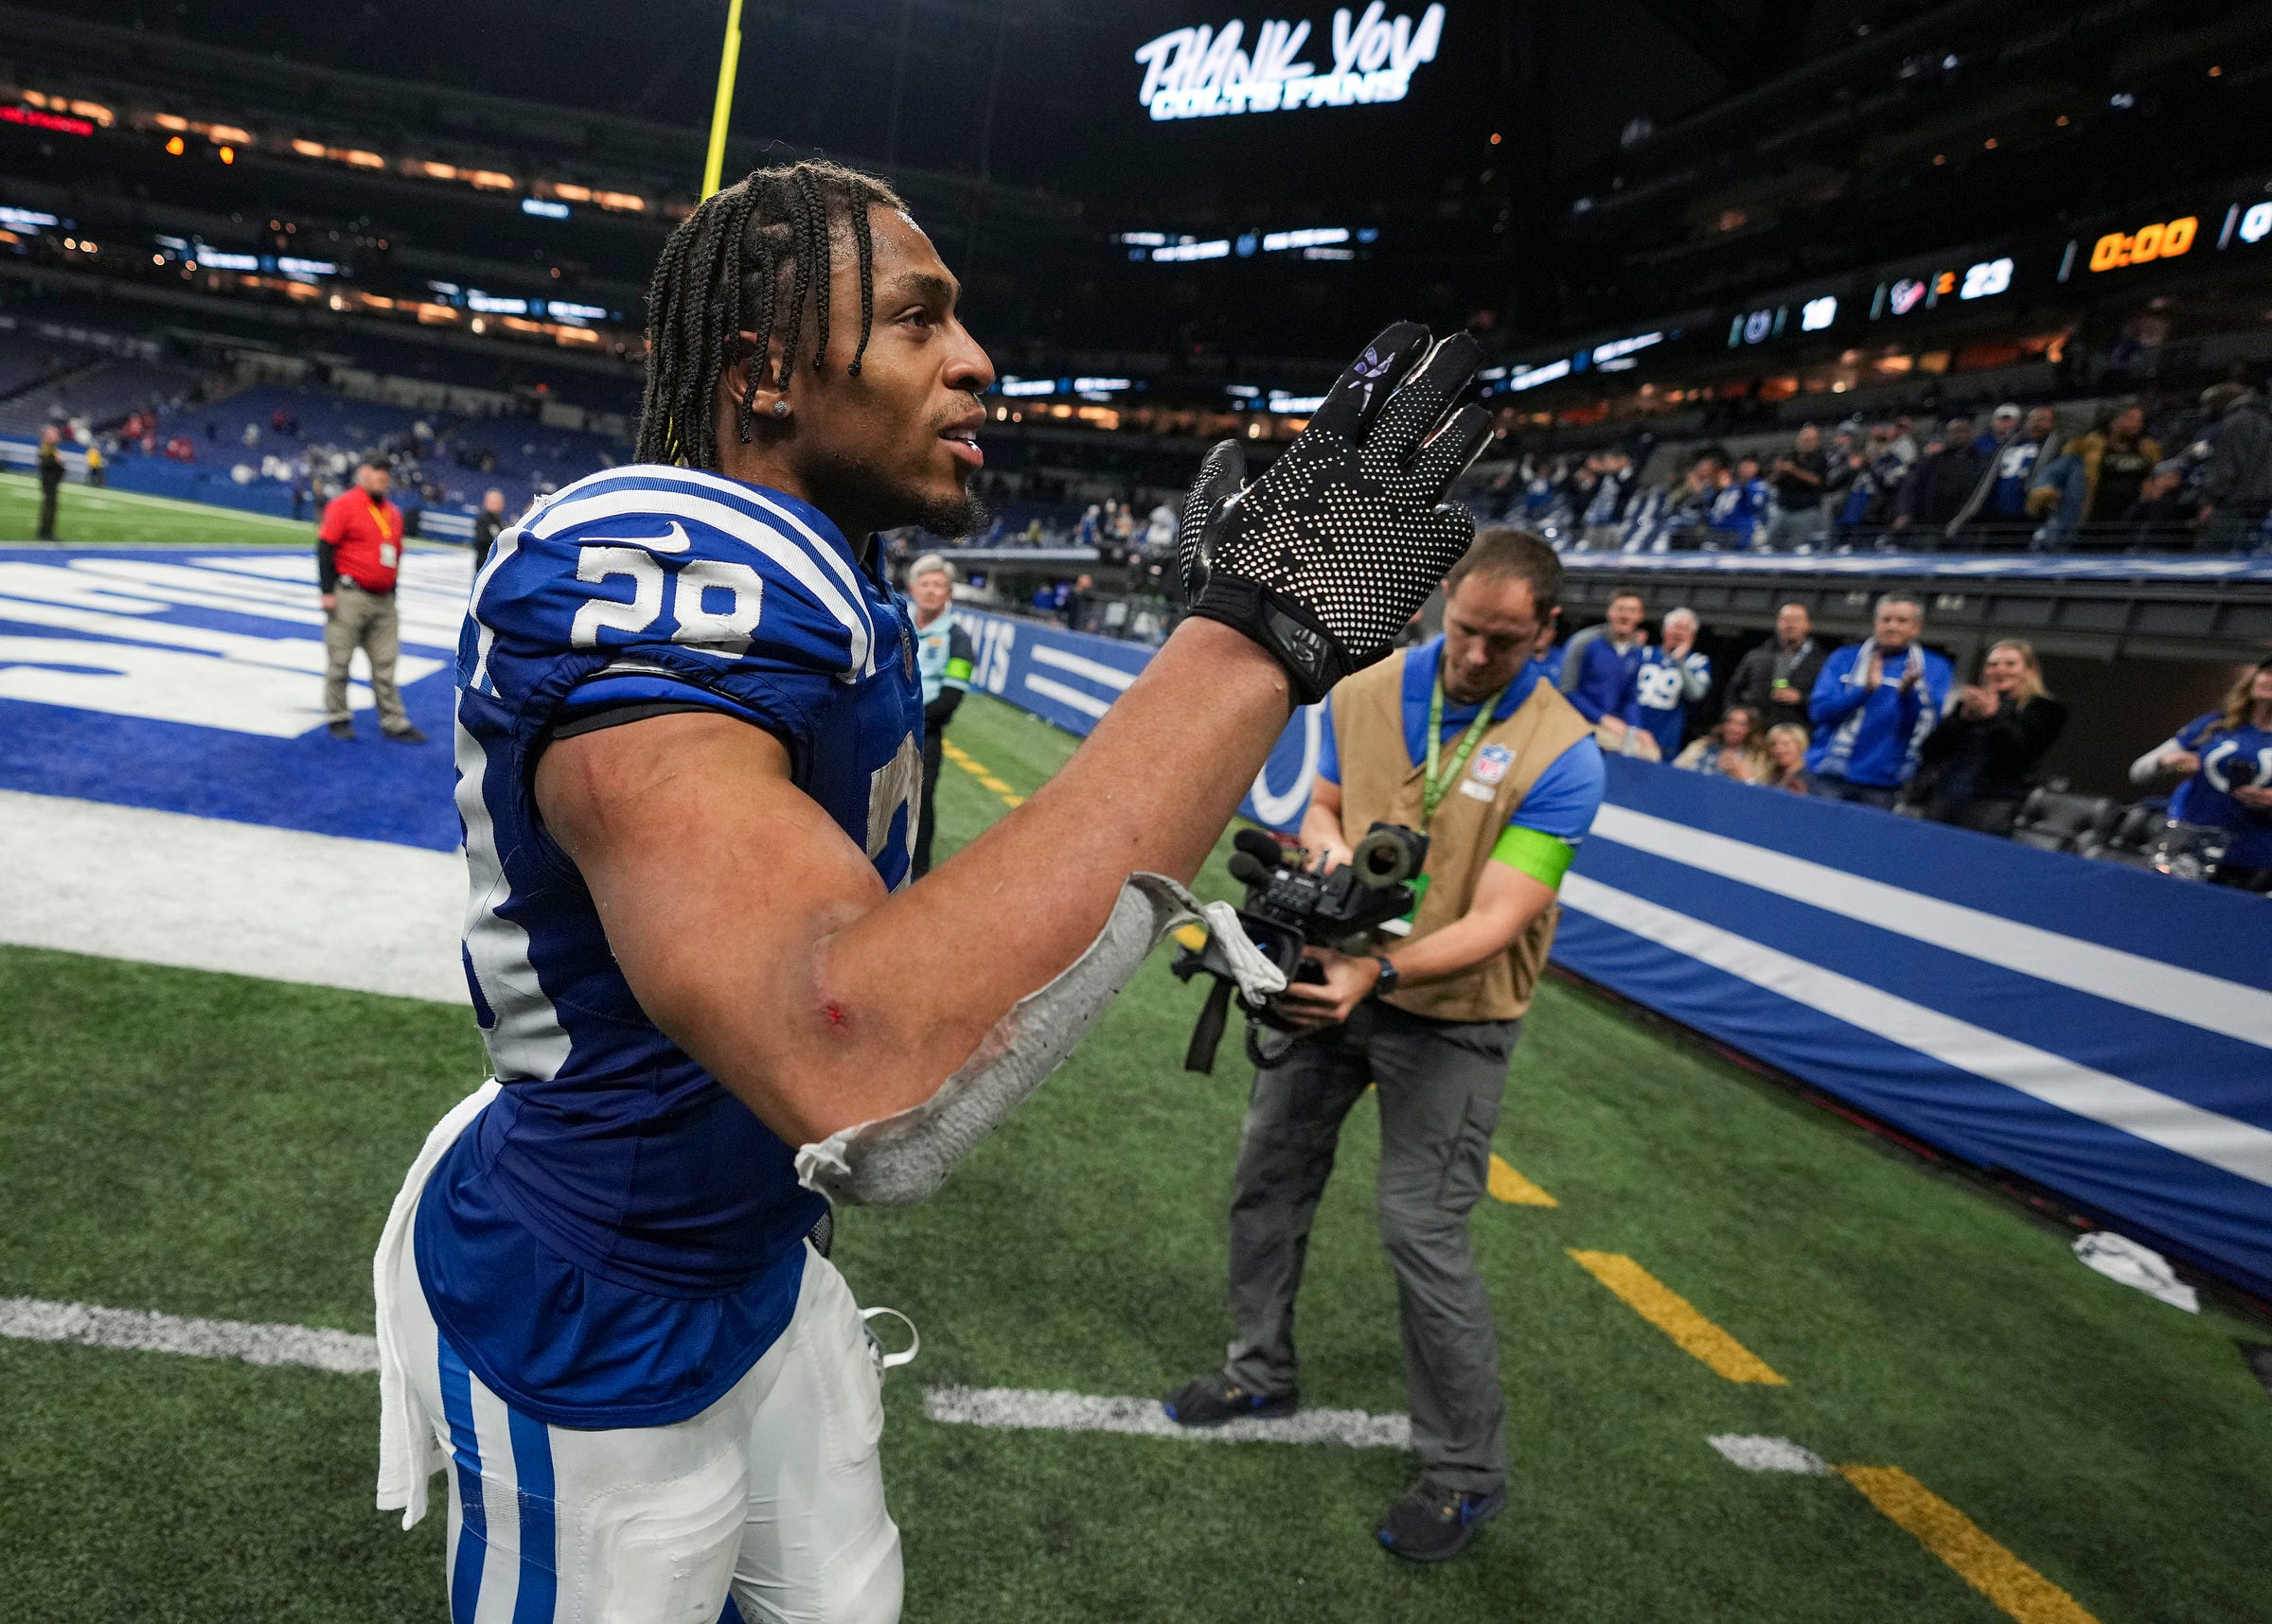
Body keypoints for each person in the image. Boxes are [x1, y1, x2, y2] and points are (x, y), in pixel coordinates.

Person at [372, 157, 1493, 1624]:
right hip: (601, 1289)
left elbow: (925, 954)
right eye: (919, 321)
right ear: (765, 373)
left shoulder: (839, 584)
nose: (978, 362)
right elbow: (852, 1055)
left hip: (760, 1256)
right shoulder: (652, 567)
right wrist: (1247, 644)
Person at [1163, 528, 1605, 1563]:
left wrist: (1381, 971)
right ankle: (1258, 1371)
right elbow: (1322, 802)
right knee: (1266, 1176)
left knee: (1421, 1230)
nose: (1477, 655)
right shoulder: (1367, 689)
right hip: (1336, 982)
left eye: (1504, 641)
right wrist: (1328, 865)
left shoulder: (1564, 754)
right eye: (1465, 630)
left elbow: (1503, 916)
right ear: (1442, 607)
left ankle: (1464, 1474)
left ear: (1546, 632)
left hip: (1452, 1019)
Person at [2130, 656, 2272, 888]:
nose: (2269, 679)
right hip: (2189, 849)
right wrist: (2174, 764)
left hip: (2255, 860)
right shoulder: (2215, 725)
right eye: (2267, 671)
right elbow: (2139, 772)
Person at [1803, 593, 1953, 807]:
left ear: (1916, 627)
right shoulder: (1843, 658)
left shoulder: (1935, 667)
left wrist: (1908, 696)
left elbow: (1924, 729)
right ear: (1876, 623)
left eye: (1902, 621)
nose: (1892, 626)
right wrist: (1864, 691)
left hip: (1883, 783)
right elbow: (1820, 713)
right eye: (1886, 619)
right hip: (1826, 775)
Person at [317, 456, 424, 743]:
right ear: (362, 473)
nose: (382, 477)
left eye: (386, 472)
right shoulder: (344, 504)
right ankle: (338, 716)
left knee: (386, 664)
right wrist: (327, 591)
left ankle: (393, 721)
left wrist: (393, 591)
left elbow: (395, 556)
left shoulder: (393, 513)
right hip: (350, 595)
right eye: (377, 471)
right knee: (340, 660)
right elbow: (326, 547)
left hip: (384, 600)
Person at [1911, 640, 2067, 834]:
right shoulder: (1971, 704)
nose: (2000, 670)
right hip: (1944, 796)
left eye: (2010, 664)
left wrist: (1993, 717)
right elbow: (1930, 751)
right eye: (1993, 664)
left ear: (2029, 670)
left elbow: (2023, 751)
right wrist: (1961, 721)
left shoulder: (2044, 709)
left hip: (1997, 803)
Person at [905, 552, 973, 877]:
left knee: (920, 803)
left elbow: (952, 696)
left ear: (948, 593)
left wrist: (909, 717)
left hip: (925, 733)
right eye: (926, 584)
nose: (932, 590)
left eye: (940, 585)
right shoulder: (895, 620)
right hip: (884, 725)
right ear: (913, 588)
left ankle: (918, 875)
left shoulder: (958, 638)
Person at [2027, 404, 2161, 550]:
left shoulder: (2148, 451)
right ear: (2113, 421)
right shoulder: (2084, 449)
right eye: (2129, 418)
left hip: (2128, 527)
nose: (2136, 423)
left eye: (2139, 419)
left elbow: (2161, 476)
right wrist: (2047, 493)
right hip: (2088, 525)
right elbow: (2049, 474)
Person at [2193, 382, 2272, 553]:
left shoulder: (2234, 421)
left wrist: (2209, 501)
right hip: (2264, 506)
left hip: (2235, 507)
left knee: (2210, 561)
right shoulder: (2266, 418)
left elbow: (2225, 469)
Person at [1624, 605, 1711, 758]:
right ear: (1664, 630)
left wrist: (1679, 662)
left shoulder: (1697, 662)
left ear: (1693, 636)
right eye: (1675, 626)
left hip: (1664, 737)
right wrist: (1630, 649)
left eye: (1685, 629)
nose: (1678, 632)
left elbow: (1697, 694)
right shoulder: (1645, 653)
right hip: (1631, 727)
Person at [1558, 589, 1646, 726]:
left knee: (1647, 746)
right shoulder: (1583, 641)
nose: (1625, 616)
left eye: (1632, 611)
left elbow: (1629, 698)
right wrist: (1602, 718)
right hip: (1575, 722)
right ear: (1609, 612)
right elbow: (1566, 689)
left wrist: (1635, 730)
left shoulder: (1636, 651)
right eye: (1620, 609)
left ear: (1640, 616)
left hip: (1611, 726)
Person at [1725, 601, 1823, 722]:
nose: (1790, 625)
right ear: (1777, 624)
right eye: (1785, 620)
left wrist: (1801, 698)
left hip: (1795, 732)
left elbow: (1826, 700)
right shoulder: (1756, 656)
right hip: (1756, 730)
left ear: (1808, 625)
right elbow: (1733, 691)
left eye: (1796, 620)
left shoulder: (1822, 662)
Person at [1893, 417, 1986, 544]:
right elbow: (1911, 487)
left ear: (1971, 433)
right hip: (1931, 526)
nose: (1960, 435)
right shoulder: (1933, 460)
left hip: (1966, 528)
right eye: (1956, 431)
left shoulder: (1981, 461)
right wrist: (1905, 512)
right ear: (1948, 434)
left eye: (1964, 431)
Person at [1763, 424, 1826, 552]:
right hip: (1783, 509)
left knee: (1798, 548)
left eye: (1809, 440)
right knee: (1769, 545)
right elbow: (1770, 482)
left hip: (1805, 511)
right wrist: (1778, 471)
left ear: (1816, 441)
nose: (1805, 443)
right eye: (1803, 439)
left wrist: (1793, 470)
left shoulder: (1821, 457)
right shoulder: (1789, 455)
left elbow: (1817, 480)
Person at [1675, 703, 1766, 782]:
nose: (1733, 728)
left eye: (1741, 725)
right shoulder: (1700, 746)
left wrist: (1741, 776)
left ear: (1750, 730)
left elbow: (1761, 794)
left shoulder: (1757, 758)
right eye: (1730, 722)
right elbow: (1675, 772)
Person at [1763, 721, 1811, 792]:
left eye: (1786, 744)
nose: (1779, 750)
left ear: (1801, 746)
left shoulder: (1809, 780)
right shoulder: (1770, 777)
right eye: (1773, 745)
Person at [34, 425, 63, 539]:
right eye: (54, 434)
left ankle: (46, 531)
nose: (57, 437)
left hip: (52, 480)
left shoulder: (50, 448)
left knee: (50, 506)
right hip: (49, 481)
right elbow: (45, 463)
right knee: (49, 506)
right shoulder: (46, 448)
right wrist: (57, 461)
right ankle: (45, 532)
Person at [470, 487, 508, 571]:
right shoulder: (483, 520)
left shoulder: (499, 521)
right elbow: (481, 541)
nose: (498, 504)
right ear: (486, 502)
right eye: (494, 501)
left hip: (495, 564)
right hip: (484, 563)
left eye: (499, 501)